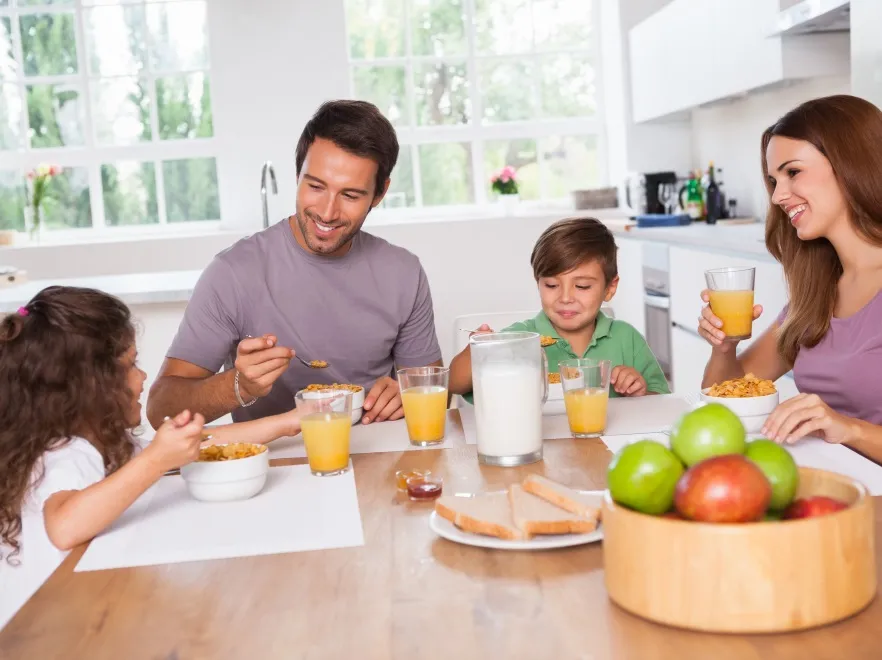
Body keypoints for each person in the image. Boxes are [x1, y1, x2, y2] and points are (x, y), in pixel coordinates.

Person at [0, 287, 303, 629]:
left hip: (87, 608)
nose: (142, 377)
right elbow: (63, 526)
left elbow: (203, 441)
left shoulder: (109, 443)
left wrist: (288, 422)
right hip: (47, 629)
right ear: (88, 386)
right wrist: (156, 460)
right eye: (130, 365)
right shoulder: (64, 452)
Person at [146, 100, 443, 429]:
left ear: (379, 193)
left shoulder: (403, 273)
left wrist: (407, 392)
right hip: (277, 464)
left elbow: (430, 387)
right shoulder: (232, 273)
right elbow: (161, 411)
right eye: (315, 186)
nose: (327, 213)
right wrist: (237, 387)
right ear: (297, 174)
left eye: (351, 195)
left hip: (377, 455)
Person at [698, 94, 882, 464]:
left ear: (850, 164)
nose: (779, 196)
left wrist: (848, 428)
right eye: (773, 180)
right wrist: (724, 345)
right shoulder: (817, 294)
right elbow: (722, 400)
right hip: (829, 489)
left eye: (793, 172)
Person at [448, 217, 670, 400]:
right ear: (538, 283)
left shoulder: (626, 339)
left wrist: (639, 392)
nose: (565, 297)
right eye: (551, 285)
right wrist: (477, 351)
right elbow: (454, 384)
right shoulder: (519, 341)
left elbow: (660, 402)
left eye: (582, 286)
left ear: (609, 288)